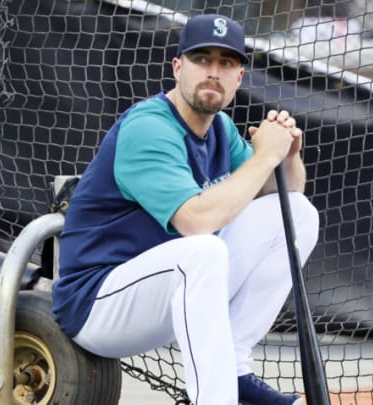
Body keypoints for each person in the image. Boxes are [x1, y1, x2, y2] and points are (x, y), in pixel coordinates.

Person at [51, 13, 319, 405]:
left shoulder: (221, 130)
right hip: (98, 304)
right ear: (178, 67)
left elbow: (285, 192)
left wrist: (288, 155)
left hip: (167, 290)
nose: (213, 72)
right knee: (203, 249)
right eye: (201, 59)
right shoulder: (149, 126)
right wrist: (265, 156)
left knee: (298, 215)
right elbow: (197, 221)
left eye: (226, 63)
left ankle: (235, 368)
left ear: (238, 77)